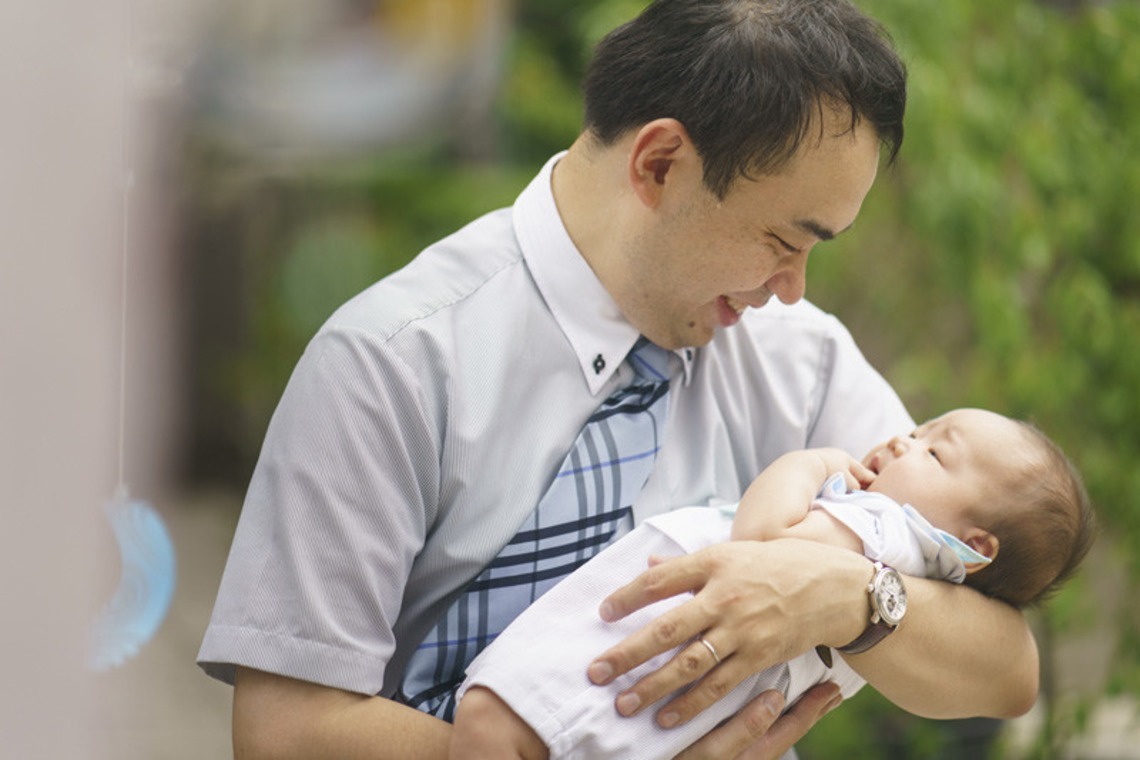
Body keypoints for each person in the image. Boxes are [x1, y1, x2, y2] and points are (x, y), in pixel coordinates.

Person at [198, 2, 1042, 758]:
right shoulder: (392, 363)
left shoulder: (799, 359)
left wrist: (844, 594)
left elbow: (1006, 669)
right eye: (786, 240)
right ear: (661, 164)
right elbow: (286, 733)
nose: (794, 286)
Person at [448, 409, 1095, 760]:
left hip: (648, 654)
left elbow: (763, 550)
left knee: (492, 724)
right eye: (921, 428)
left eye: (934, 450)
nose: (902, 438)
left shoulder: (887, 532)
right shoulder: (906, 569)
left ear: (974, 548)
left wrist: (804, 463)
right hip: (682, 701)